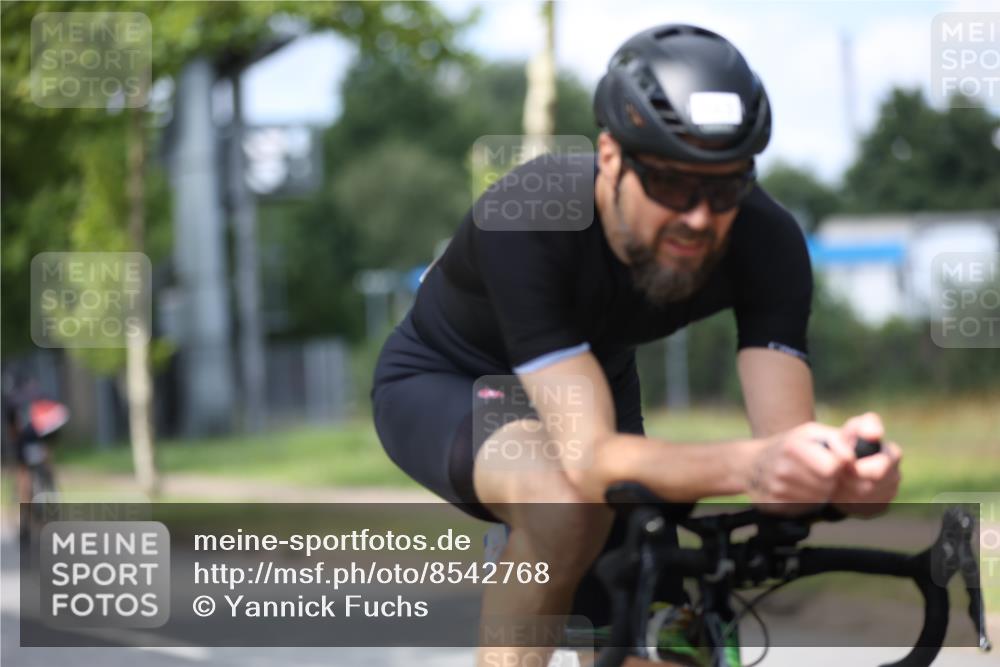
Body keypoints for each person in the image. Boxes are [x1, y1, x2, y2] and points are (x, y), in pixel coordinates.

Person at [371, 24, 902, 666]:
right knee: (564, 506)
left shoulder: (767, 239)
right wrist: (752, 463)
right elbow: (592, 458)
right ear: (612, 157)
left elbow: (781, 448)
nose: (699, 216)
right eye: (672, 186)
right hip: (452, 379)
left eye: (725, 186)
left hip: (592, 381)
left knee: (652, 618)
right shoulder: (531, 213)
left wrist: (841, 478)